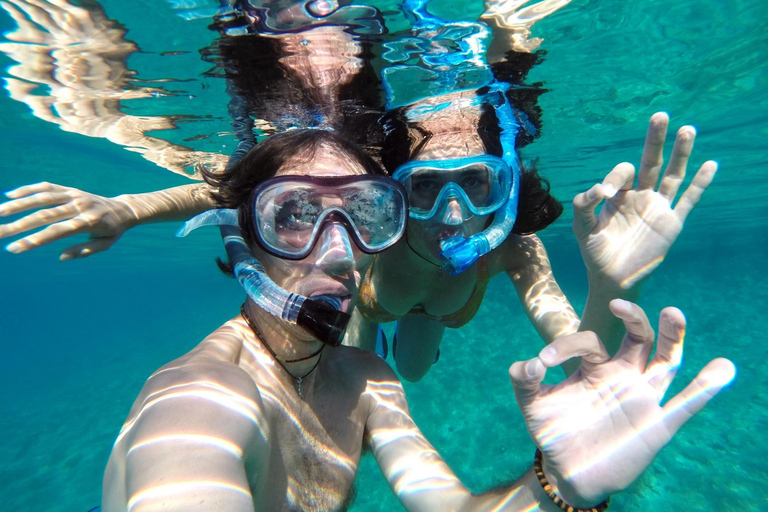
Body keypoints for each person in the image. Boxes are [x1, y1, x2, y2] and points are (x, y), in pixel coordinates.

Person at [97, 127, 734, 512]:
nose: (339, 247)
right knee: (367, 332)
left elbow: (455, 505)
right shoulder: (200, 399)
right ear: (243, 235)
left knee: (405, 366)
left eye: (363, 213)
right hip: (376, 312)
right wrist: (128, 207)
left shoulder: (368, 385)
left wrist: (559, 490)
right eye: (294, 213)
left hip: (389, 342)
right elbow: (184, 469)